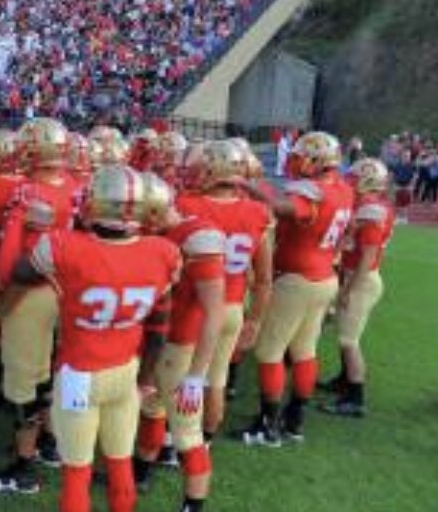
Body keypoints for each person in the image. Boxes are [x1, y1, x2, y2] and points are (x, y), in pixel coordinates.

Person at [15, 165, 180, 512]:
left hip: (79, 375)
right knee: (120, 463)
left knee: (77, 472)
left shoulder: (63, 245)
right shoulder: (163, 252)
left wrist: (34, 228)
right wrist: (145, 380)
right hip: (124, 372)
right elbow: (159, 329)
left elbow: (21, 272)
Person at [237, 131, 354, 445]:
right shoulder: (344, 189)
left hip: (297, 279)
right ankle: (295, 420)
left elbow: (285, 208)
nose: (296, 162)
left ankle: (268, 424)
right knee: (305, 350)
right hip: (324, 277)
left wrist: (251, 189)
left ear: (317, 159)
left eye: (302, 156)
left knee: (270, 351)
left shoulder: (313, 192)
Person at [0, 118, 78, 493]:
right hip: (70, 292)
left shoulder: (27, 192)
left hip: (33, 291)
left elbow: (11, 261)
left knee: (25, 381)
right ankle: (52, 444)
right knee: (54, 373)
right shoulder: (79, 188)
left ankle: (24, 467)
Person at [133, 173, 225, 512]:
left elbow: (213, 311)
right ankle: (140, 473)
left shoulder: (197, 237)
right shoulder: (171, 232)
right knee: (151, 410)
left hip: (181, 347)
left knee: (187, 432)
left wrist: (197, 376)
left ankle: (193, 505)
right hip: (161, 342)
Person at [175, 141, 275, 440]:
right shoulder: (258, 212)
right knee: (215, 380)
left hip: (195, 305)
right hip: (233, 305)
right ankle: (205, 441)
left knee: (179, 376)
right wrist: (255, 320)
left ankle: (172, 443)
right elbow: (264, 277)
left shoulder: (187, 206)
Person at [323, 158, 395, 417]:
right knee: (345, 335)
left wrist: (347, 290)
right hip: (358, 276)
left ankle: (355, 397)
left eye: (353, 179)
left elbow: (367, 257)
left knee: (348, 340)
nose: (348, 183)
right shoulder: (369, 205)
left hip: (362, 280)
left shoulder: (371, 210)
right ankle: (344, 380)